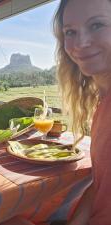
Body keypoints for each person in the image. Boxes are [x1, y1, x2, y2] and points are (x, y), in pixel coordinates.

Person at [53, 0, 111, 224]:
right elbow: (100, 184)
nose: (81, 43)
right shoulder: (102, 103)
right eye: (70, 32)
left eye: (96, 25)